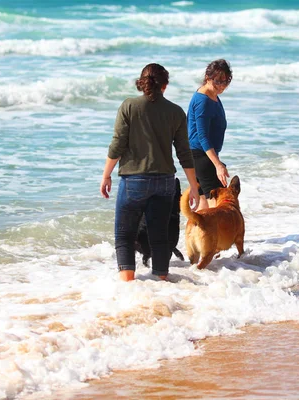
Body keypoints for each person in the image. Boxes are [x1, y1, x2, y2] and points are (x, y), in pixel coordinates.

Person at [100, 63, 200, 282]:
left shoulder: (129, 106)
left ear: (142, 83)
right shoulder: (175, 112)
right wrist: (193, 186)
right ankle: (161, 285)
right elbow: (184, 152)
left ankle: (128, 287)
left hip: (133, 181)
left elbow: (117, 144)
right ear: (165, 86)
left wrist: (106, 174)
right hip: (164, 182)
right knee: (159, 237)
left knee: (125, 237)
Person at [187, 59, 233, 211]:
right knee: (217, 207)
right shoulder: (203, 100)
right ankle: (215, 235)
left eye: (225, 82)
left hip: (201, 155)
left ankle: (195, 235)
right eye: (218, 81)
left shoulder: (212, 95)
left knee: (204, 206)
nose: (222, 86)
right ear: (208, 78)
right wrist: (218, 165)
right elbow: (202, 136)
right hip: (201, 156)